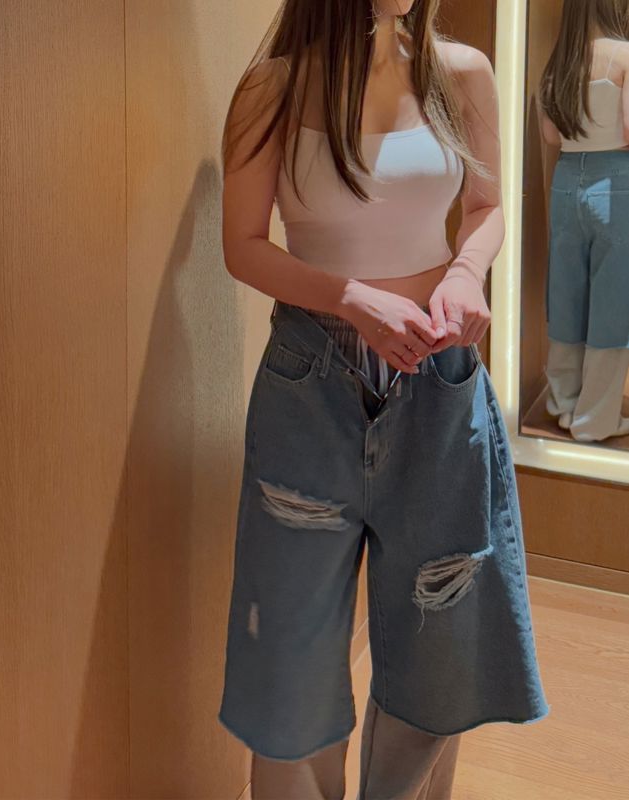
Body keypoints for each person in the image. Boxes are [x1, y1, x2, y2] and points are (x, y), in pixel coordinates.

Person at [218, 1, 550, 797]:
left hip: (436, 378)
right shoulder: (272, 87)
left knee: (441, 630)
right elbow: (243, 246)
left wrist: (465, 274)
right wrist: (349, 297)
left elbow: (486, 208)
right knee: (288, 645)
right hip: (310, 382)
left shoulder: (458, 71)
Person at [539, 0, 629, 443]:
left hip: (566, 180)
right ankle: (595, 421)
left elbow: (550, 135)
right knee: (613, 301)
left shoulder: (558, 62)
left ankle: (564, 406)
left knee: (567, 294)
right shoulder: (624, 54)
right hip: (616, 181)